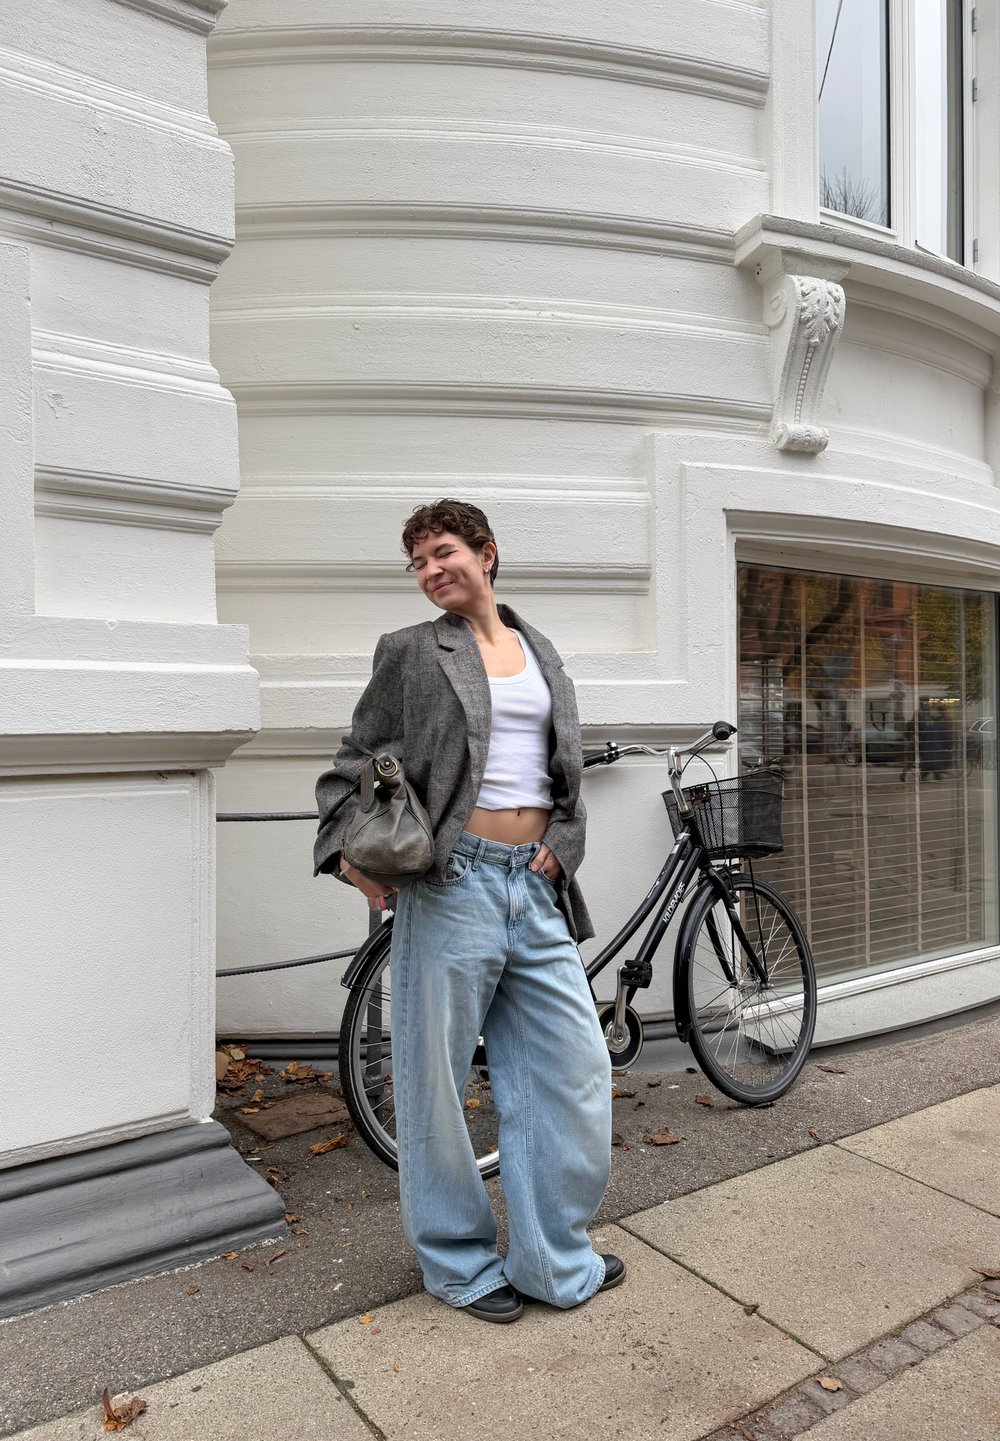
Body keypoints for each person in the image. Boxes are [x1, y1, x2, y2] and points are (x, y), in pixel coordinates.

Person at [314, 499, 618, 1323]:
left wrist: (564, 842)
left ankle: (555, 1257)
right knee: (435, 1084)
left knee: (575, 1069)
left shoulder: (541, 651)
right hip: (453, 883)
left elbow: (565, 773)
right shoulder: (411, 652)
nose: (429, 571)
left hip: (536, 883)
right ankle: (457, 1261)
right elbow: (353, 759)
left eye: (443, 552)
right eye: (417, 562)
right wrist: (347, 851)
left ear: (487, 554)